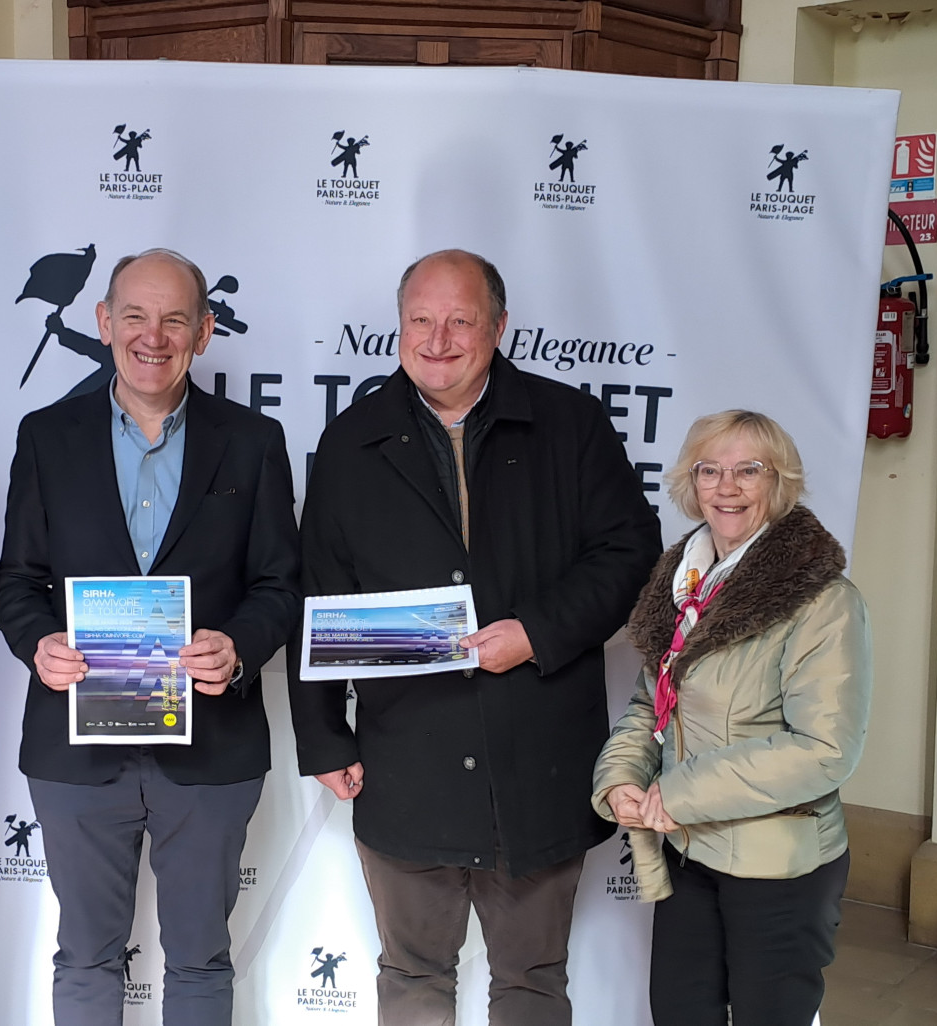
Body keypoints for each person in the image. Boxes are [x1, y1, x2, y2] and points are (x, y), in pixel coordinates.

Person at [289, 249, 662, 1025]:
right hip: (407, 759)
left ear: (497, 326)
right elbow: (317, 595)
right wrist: (322, 736)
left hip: (538, 758)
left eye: (461, 320)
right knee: (414, 977)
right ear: (398, 329)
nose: (439, 338)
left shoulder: (572, 424)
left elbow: (630, 555)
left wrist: (535, 631)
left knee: (531, 980)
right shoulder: (349, 444)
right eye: (420, 320)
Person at [0, 247, 300, 1026]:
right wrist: (39, 645)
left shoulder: (255, 442)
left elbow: (280, 586)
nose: (152, 336)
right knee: (86, 957)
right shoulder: (46, 436)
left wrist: (237, 648)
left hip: (211, 748)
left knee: (200, 958)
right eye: (134, 315)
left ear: (203, 332)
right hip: (76, 748)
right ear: (104, 324)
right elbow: (19, 581)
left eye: (173, 319)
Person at [592, 409, 872, 1026]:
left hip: (777, 862)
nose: (727, 486)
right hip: (689, 852)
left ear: (780, 482)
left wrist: (677, 792)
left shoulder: (822, 599)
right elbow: (653, 703)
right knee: (679, 1011)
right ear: (691, 484)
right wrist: (617, 778)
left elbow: (824, 749)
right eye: (710, 470)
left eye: (750, 469)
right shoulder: (683, 583)